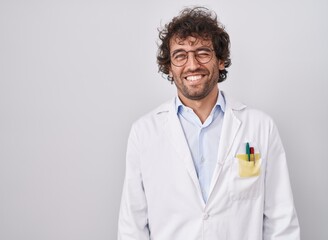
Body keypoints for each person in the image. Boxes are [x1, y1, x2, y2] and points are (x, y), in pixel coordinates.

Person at [118, 7, 300, 240]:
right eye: (180, 55)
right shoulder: (144, 132)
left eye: (203, 53)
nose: (192, 65)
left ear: (221, 60)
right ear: (169, 67)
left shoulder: (260, 127)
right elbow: (132, 227)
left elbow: (281, 221)